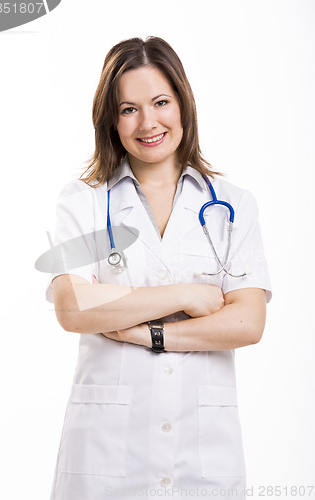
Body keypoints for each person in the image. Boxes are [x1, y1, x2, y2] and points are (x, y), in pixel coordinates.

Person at [46, 36, 272, 500]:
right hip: (104, 458)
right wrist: (187, 296)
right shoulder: (85, 201)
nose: (148, 122)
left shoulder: (232, 206)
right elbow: (73, 307)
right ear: (111, 120)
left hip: (202, 451)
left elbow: (248, 322)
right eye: (128, 109)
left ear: (183, 104)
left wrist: (146, 332)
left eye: (161, 102)